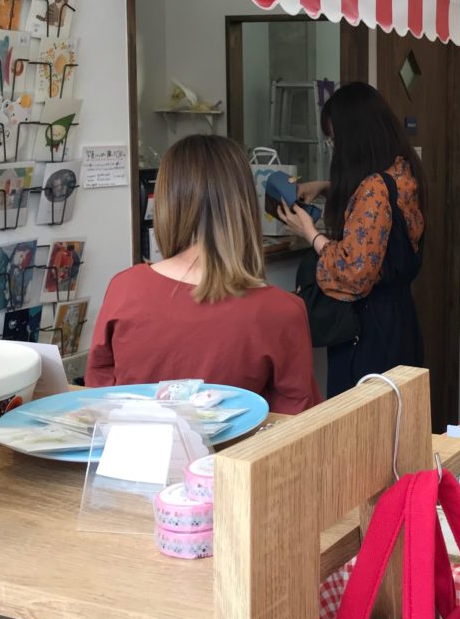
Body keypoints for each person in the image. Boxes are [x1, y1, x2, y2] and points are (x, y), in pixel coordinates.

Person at [87, 135, 320, 415]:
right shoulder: (282, 311)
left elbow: (99, 395)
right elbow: (296, 422)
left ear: (167, 204)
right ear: (245, 206)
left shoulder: (125, 288)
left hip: (131, 443)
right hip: (240, 446)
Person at [278, 82, 426, 398]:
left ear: (354, 138)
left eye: (334, 140)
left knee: (363, 421)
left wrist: (310, 233)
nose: (333, 148)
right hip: (399, 321)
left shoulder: (373, 189)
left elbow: (354, 272)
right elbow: (378, 218)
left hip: (371, 331)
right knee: (399, 414)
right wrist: (326, 186)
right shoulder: (401, 170)